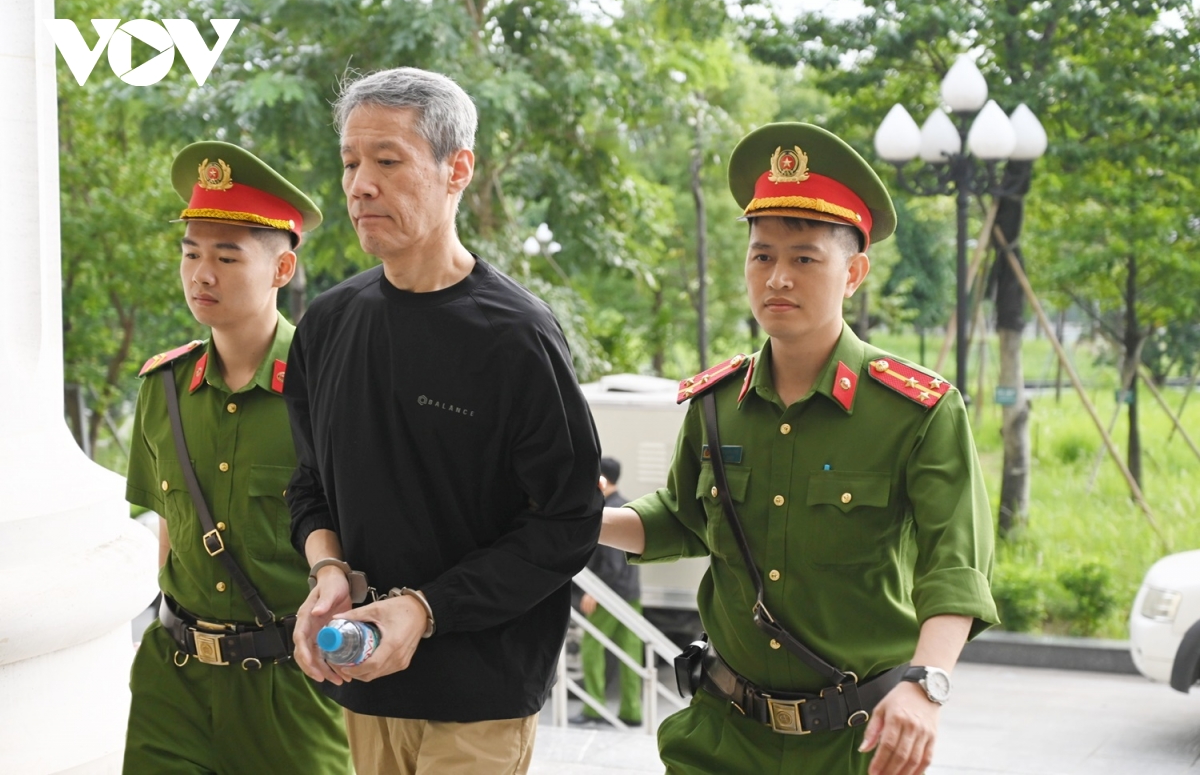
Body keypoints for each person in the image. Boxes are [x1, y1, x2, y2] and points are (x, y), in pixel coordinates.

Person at [599, 123, 999, 775]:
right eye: (762, 257)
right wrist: (577, 520)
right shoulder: (716, 403)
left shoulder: (917, 412)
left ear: (854, 273)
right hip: (721, 739)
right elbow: (682, 519)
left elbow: (956, 569)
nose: (778, 278)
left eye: (805, 259)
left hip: (854, 745)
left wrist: (926, 685)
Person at [285, 67, 603, 775]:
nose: (360, 185)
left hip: (481, 691)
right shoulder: (327, 326)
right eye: (350, 163)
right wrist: (326, 569)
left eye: (387, 161)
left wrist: (424, 610)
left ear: (457, 169)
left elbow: (567, 521)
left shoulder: (516, 337)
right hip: (365, 681)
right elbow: (308, 485)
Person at [122, 141, 351, 773]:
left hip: (294, 687)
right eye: (191, 253)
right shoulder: (163, 389)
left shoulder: (329, 389)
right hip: (174, 683)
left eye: (226, 256)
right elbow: (171, 531)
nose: (202, 274)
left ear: (282, 269)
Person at [572, 456, 644, 727]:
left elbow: (612, 563)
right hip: (631, 594)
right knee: (631, 654)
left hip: (609, 597)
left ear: (601, 479)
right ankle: (632, 712)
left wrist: (595, 593)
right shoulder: (628, 506)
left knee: (591, 648)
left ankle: (593, 709)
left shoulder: (607, 512)